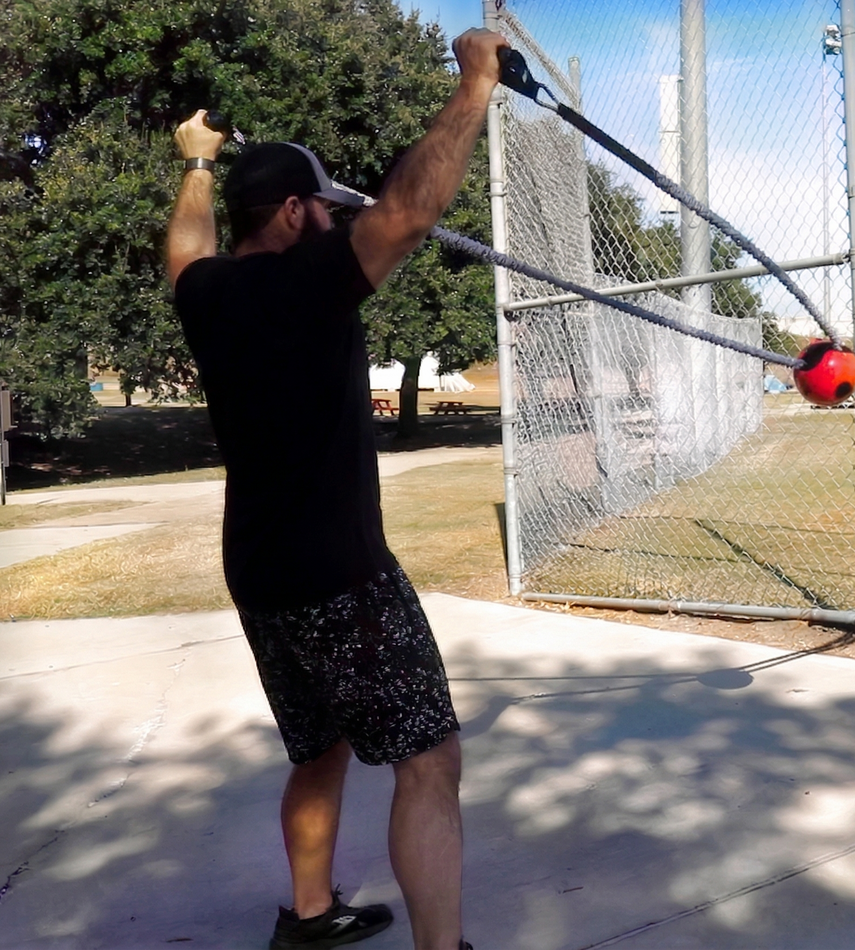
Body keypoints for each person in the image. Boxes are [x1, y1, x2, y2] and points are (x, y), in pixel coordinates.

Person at [166, 27, 508, 950]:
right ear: (291, 212)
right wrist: (474, 85)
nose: (332, 218)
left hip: (262, 575)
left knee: (320, 749)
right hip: (340, 577)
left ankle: (311, 918)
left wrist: (196, 163)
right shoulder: (308, 283)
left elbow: (186, 247)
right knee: (428, 759)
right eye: (321, 206)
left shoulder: (207, 295)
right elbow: (408, 210)